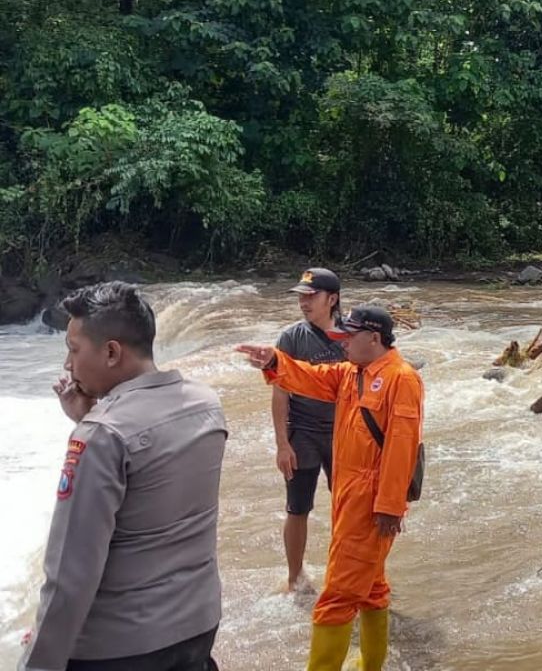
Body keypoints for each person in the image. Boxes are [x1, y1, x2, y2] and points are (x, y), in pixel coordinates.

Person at [20, 282, 227, 671]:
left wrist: (38, 662)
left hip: (120, 647)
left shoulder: (101, 437)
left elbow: (69, 575)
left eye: (74, 350)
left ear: (112, 352)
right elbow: (153, 494)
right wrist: (92, 416)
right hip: (196, 626)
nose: (68, 364)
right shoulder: (206, 406)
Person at [236, 305, 423, 671]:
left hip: (372, 503)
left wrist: (389, 506)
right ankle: (370, 664)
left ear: (374, 338)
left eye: (350, 337)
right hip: (350, 495)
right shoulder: (352, 372)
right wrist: (274, 360)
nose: (343, 343)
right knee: (371, 588)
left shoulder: (402, 378)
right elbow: (310, 377)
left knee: (336, 597)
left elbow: (403, 446)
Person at [274, 268, 346, 591]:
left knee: (349, 508)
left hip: (344, 433)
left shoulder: (351, 336)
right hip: (302, 432)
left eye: (310, 296)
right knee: (297, 507)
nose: (303, 303)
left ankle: (347, 574)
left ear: (332, 299)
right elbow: (279, 393)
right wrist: (281, 444)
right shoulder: (291, 338)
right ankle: (295, 577)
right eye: (301, 297)